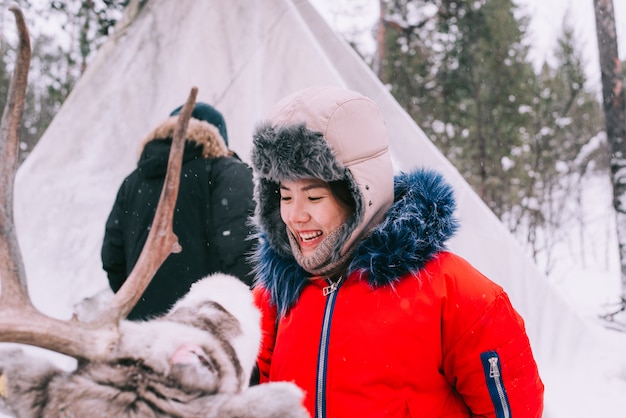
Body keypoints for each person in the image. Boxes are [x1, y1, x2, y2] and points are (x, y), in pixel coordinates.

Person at [248, 85, 544, 417]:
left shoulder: (457, 297)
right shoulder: (274, 299)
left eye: (314, 197)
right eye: (285, 196)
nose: (294, 215)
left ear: (361, 192)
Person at [101, 102, 256, 320]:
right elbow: (245, 252)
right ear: (220, 139)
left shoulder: (133, 182)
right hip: (201, 332)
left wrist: (140, 303)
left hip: (141, 332)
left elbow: (112, 259)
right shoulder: (225, 172)